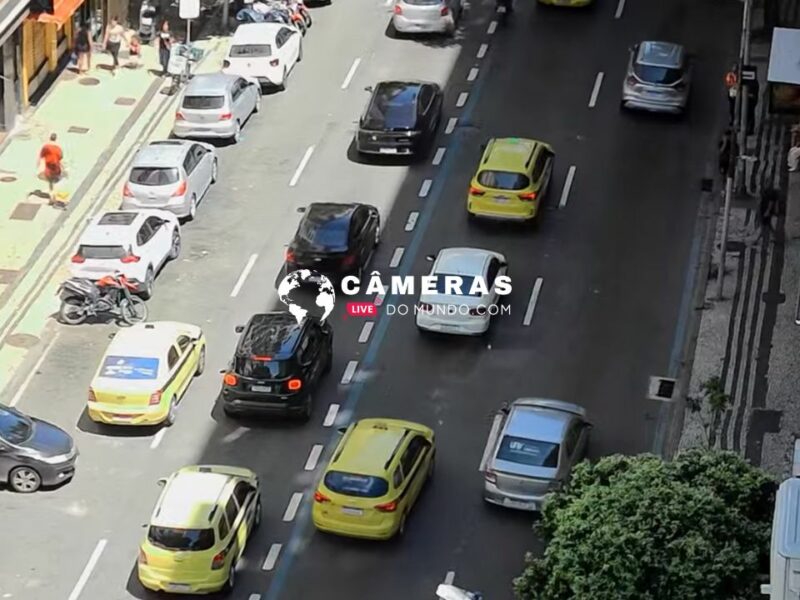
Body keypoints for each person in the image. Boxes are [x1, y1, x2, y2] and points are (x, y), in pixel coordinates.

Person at [38, 133, 64, 206]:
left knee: (50, 183)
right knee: (54, 182)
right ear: (56, 139)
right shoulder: (58, 148)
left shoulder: (45, 147)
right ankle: (53, 196)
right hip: (56, 168)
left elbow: (41, 157)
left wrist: (39, 166)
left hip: (48, 168)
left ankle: (52, 197)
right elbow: (60, 157)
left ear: (50, 138)